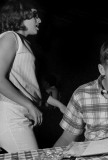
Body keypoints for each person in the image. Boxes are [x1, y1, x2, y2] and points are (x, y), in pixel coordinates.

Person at [0, 0, 66, 153]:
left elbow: (30, 89)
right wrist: (29, 105)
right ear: (19, 16)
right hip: (10, 115)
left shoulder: (25, 43)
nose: (39, 20)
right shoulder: (10, 37)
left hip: (19, 114)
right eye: (34, 16)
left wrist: (60, 105)